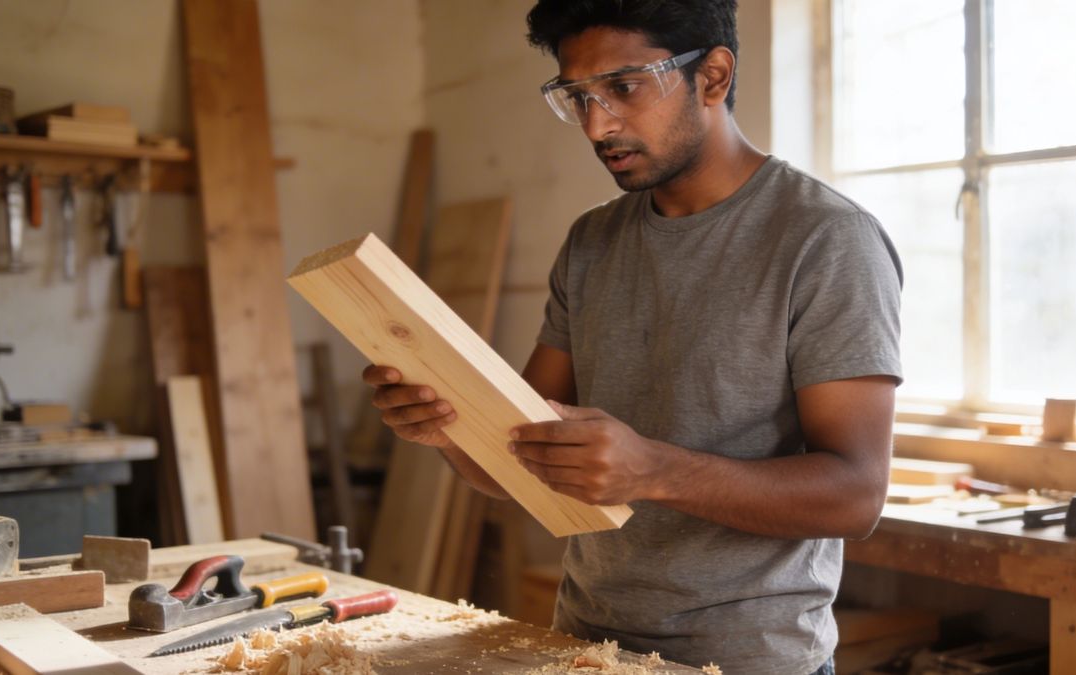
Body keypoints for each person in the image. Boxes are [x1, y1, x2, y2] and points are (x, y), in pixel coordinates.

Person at [362, 1, 903, 673]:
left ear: (711, 76)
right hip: (590, 649)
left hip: (749, 662)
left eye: (622, 87)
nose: (596, 123)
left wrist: (654, 470)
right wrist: (447, 427)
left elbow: (856, 495)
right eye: (576, 96)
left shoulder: (826, 239)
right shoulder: (592, 241)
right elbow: (519, 457)